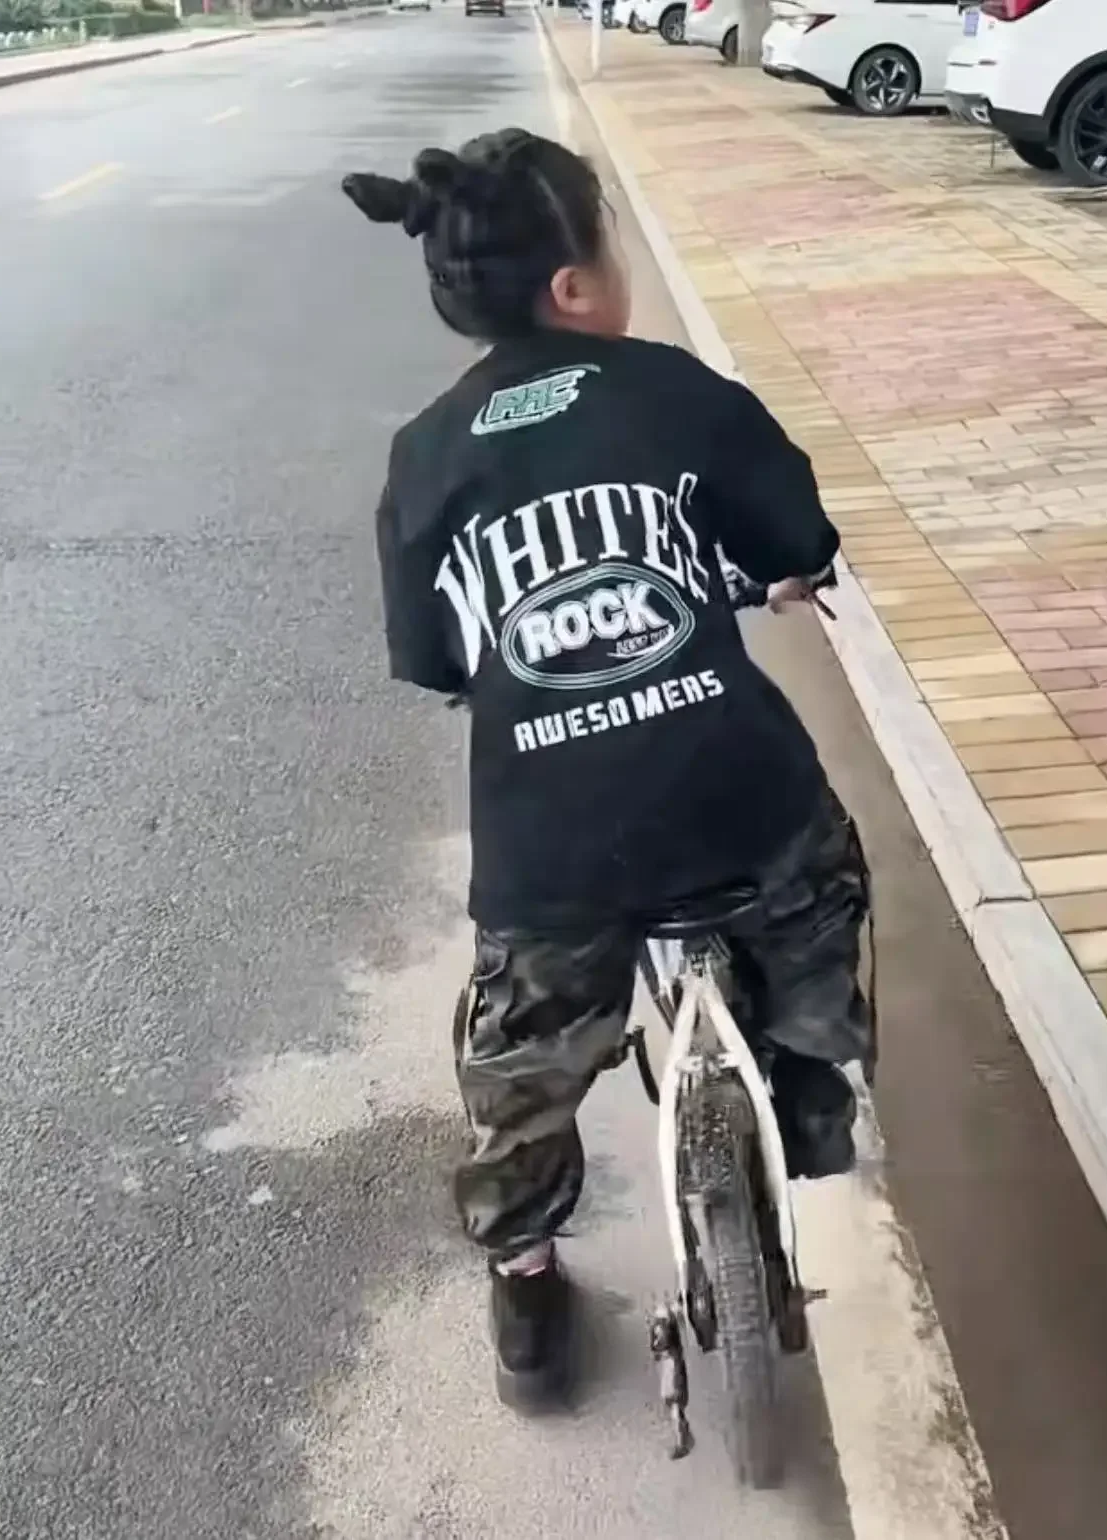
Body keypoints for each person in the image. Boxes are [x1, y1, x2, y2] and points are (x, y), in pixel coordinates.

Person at [343, 128, 872, 1412]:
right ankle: (806, 1096)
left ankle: (524, 1280)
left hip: (556, 854)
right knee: (822, 897)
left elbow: (431, 657)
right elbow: (795, 533)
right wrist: (773, 571)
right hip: (737, 802)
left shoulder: (424, 457)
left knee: (516, 1064)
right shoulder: (676, 391)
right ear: (577, 288)